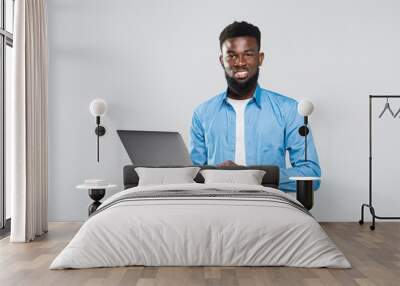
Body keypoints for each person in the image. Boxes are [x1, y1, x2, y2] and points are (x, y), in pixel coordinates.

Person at [190, 21, 321, 192]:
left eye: (248, 54)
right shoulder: (202, 114)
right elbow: (194, 177)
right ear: (222, 60)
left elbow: (311, 175)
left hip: (267, 205)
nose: (240, 62)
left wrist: (250, 176)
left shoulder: (289, 110)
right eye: (232, 55)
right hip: (217, 205)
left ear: (260, 58)